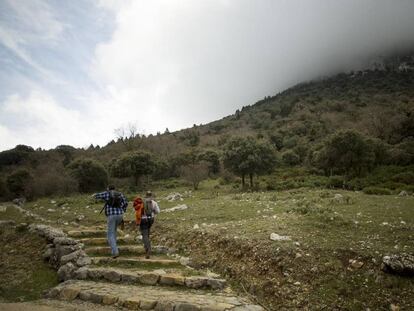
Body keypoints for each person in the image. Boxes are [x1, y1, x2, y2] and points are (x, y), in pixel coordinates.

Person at [93, 185, 128, 258]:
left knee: (109, 235)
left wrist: (93, 195)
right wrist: (123, 210)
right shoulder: (120, 194)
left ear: (108, 188)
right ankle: (113, 251)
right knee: (114, 232)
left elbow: (97, 195)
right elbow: (125, 203)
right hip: (120, 215)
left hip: (111, 216)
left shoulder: (107, 193)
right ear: (115, 188)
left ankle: (115, 252)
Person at [133, 190, 160, 258]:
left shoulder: (142, 202)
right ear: (151, 195)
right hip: (151, 219)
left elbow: (136, 210)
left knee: (144, 235)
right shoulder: (153, 202)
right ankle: (147, 247)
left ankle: (148, 249)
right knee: (147, 233)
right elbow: (157, 211)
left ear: (145, 195)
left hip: (143, 220)